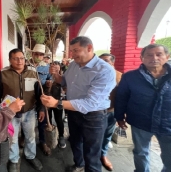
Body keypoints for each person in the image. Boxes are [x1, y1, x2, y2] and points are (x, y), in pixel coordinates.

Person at [40, 36, 116, 172]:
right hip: (74, 112)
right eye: (71, 51)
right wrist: (56, 74)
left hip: (93, 117)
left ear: (89, 48)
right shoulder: (74, 64)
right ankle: (79, 165)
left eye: (76, 50)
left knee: (92, 153)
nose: (72, 55)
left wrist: (57, 103)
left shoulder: (104, 70)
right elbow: (64, 82)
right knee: (75, 143)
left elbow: (90, 103)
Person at [114, 44, 171, 172]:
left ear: (167, 57)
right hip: (141, 122)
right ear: (142, 58)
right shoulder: (130, 77)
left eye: (158, 54)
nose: (154, 58)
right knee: (140, 152)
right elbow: (122, 97)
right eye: (149, 55)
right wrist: (119, 116)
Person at [0, 48, 44, 172]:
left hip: (30, 111)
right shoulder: (3, 73)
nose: (19, 61)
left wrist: (41, 108)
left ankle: (30, 156)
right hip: (10, 113)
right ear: (10, 60)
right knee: (13, 138)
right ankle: (14, 160)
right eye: (15, 58)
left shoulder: (33, 72)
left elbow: (39, 93)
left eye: (21, 58)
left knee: (31, 136)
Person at [99, 53, 122, 171]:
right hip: (95, 112)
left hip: (111, 111)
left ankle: (103, 155)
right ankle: (90, 155)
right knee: (93, 134)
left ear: (112, 63)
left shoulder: (119, 76)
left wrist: (122, 114)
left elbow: (124, 97)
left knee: (107, 135)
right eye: (100, 60)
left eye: (106, 60)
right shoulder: (94, 74)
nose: (103, 62)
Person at [29, 44, 53, 156]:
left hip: (40, 100)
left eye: (41, 54)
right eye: (36, 54)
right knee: (26, 121)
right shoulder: (25, 65)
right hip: (27, 99)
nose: (38, 56)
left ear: (44, 56)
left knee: (42, 121)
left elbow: (49, 86)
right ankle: (25, 138)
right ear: (32, 54)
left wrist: (49, 83)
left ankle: (43, 142)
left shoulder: (46, 68)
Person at [44, 61, 66, 149]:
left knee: (59, 120)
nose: (54, 69)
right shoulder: (46, 75)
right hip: (47, 102)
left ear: (60, 68)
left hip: (58, 102)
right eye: (52, 67)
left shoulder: (62, 77)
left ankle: (61, 136)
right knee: (48, 119)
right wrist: (46, 84)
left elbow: (65, 89)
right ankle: (48, 136)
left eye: (56, 68)